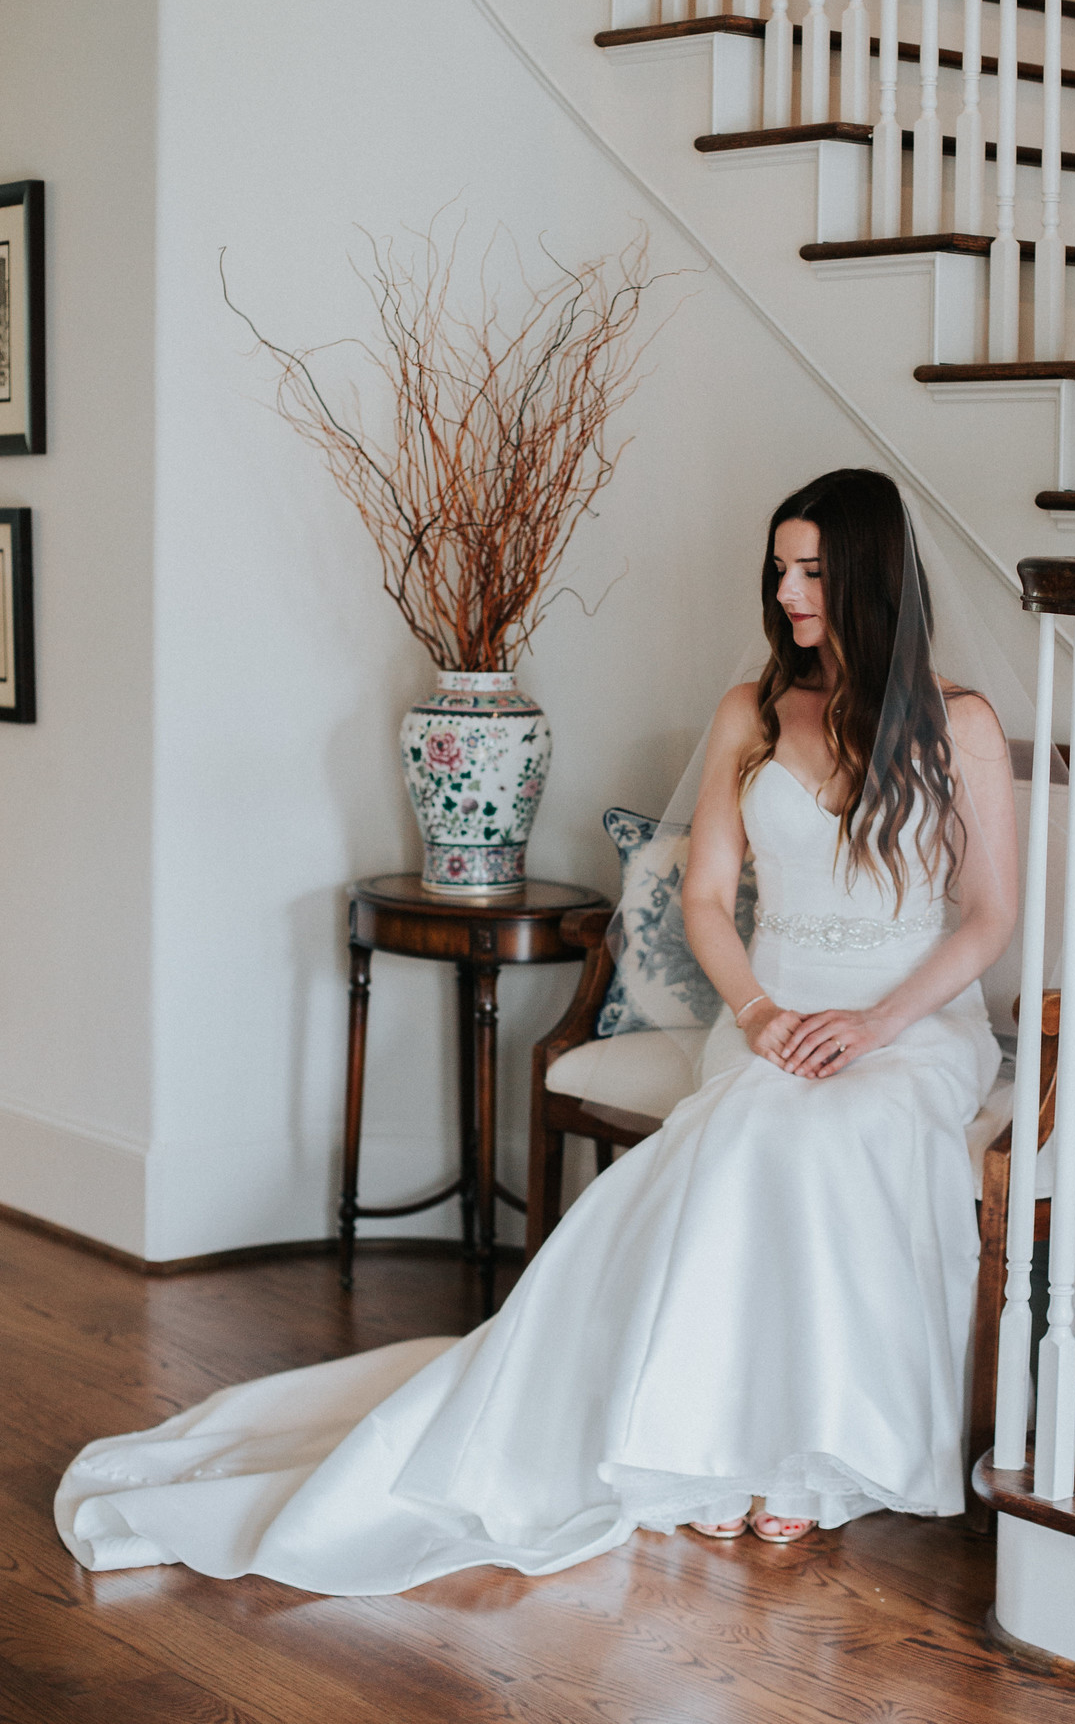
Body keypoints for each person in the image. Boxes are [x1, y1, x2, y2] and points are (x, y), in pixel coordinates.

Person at [54, 466, 1017, 1592]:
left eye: (810, 568)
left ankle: (795, 1458)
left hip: (911, 1020)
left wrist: (872, 1021)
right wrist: (756, 1010)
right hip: (770, 1009)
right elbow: (707, 896)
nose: (788, 590)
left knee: (814, 1134)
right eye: (780, 567)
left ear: (866, 574)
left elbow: (990, 912)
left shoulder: (959, 723)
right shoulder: (749, 709)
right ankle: (712, 1443)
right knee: (766, 1127)